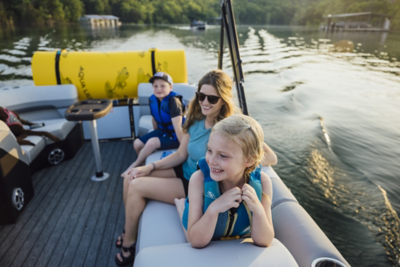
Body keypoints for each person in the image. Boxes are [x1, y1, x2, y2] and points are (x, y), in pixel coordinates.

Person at [115, 70, 277, 265]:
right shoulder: (196, 119)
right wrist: (150, 167)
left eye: (212, 98)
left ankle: (129, 243)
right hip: (184, 168)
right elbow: (181, 154)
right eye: (201, 96)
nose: (204, 102)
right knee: (131, 176)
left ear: (224, 100)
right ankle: (128, 230)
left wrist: (241, 163)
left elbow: (270, 157)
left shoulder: (230, 130)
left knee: (136, 186)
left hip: (194, 180)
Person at [182, 114, 274, 248]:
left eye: (223, 155)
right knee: (186, 223)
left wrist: (258, 210)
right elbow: (195, 241)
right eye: (209, 150)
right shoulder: (198, 180)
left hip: (236, 239)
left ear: (248, 160)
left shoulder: (263, 184)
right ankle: (181, 207)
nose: (211, 161)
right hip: (203, 234)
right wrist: (214, 209)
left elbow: (264, 241)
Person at [121, 72, 186, 172]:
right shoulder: (152, 99)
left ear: (170, 87)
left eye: (162, 86)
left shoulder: (174, 101)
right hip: (163, 132)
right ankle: (143, 164)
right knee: (137, 144)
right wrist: (156, 134)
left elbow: (178, 127)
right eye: (155, 86)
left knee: (152, 142)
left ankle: (136, 165)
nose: (158, 89)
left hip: (176, 136)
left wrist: (183, 151)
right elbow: (154, 119)